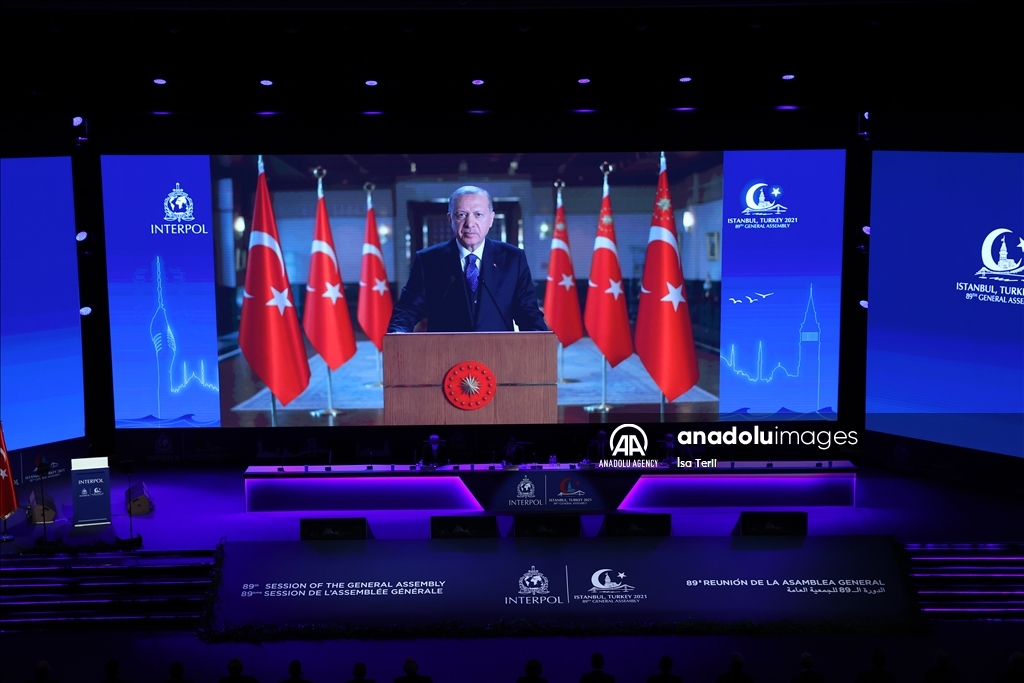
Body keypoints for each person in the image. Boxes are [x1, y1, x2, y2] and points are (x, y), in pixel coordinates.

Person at [387, 186, 547, 333]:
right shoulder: (428, 260)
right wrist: (397, 334)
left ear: (491, 219)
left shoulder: (513, 259)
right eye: (461, 215)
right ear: (450, 219)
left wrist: (541, 342)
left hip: (498, 351)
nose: (470, 223)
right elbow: (407, 310)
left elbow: (528, 313)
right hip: (445, 351)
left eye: (478, 215)